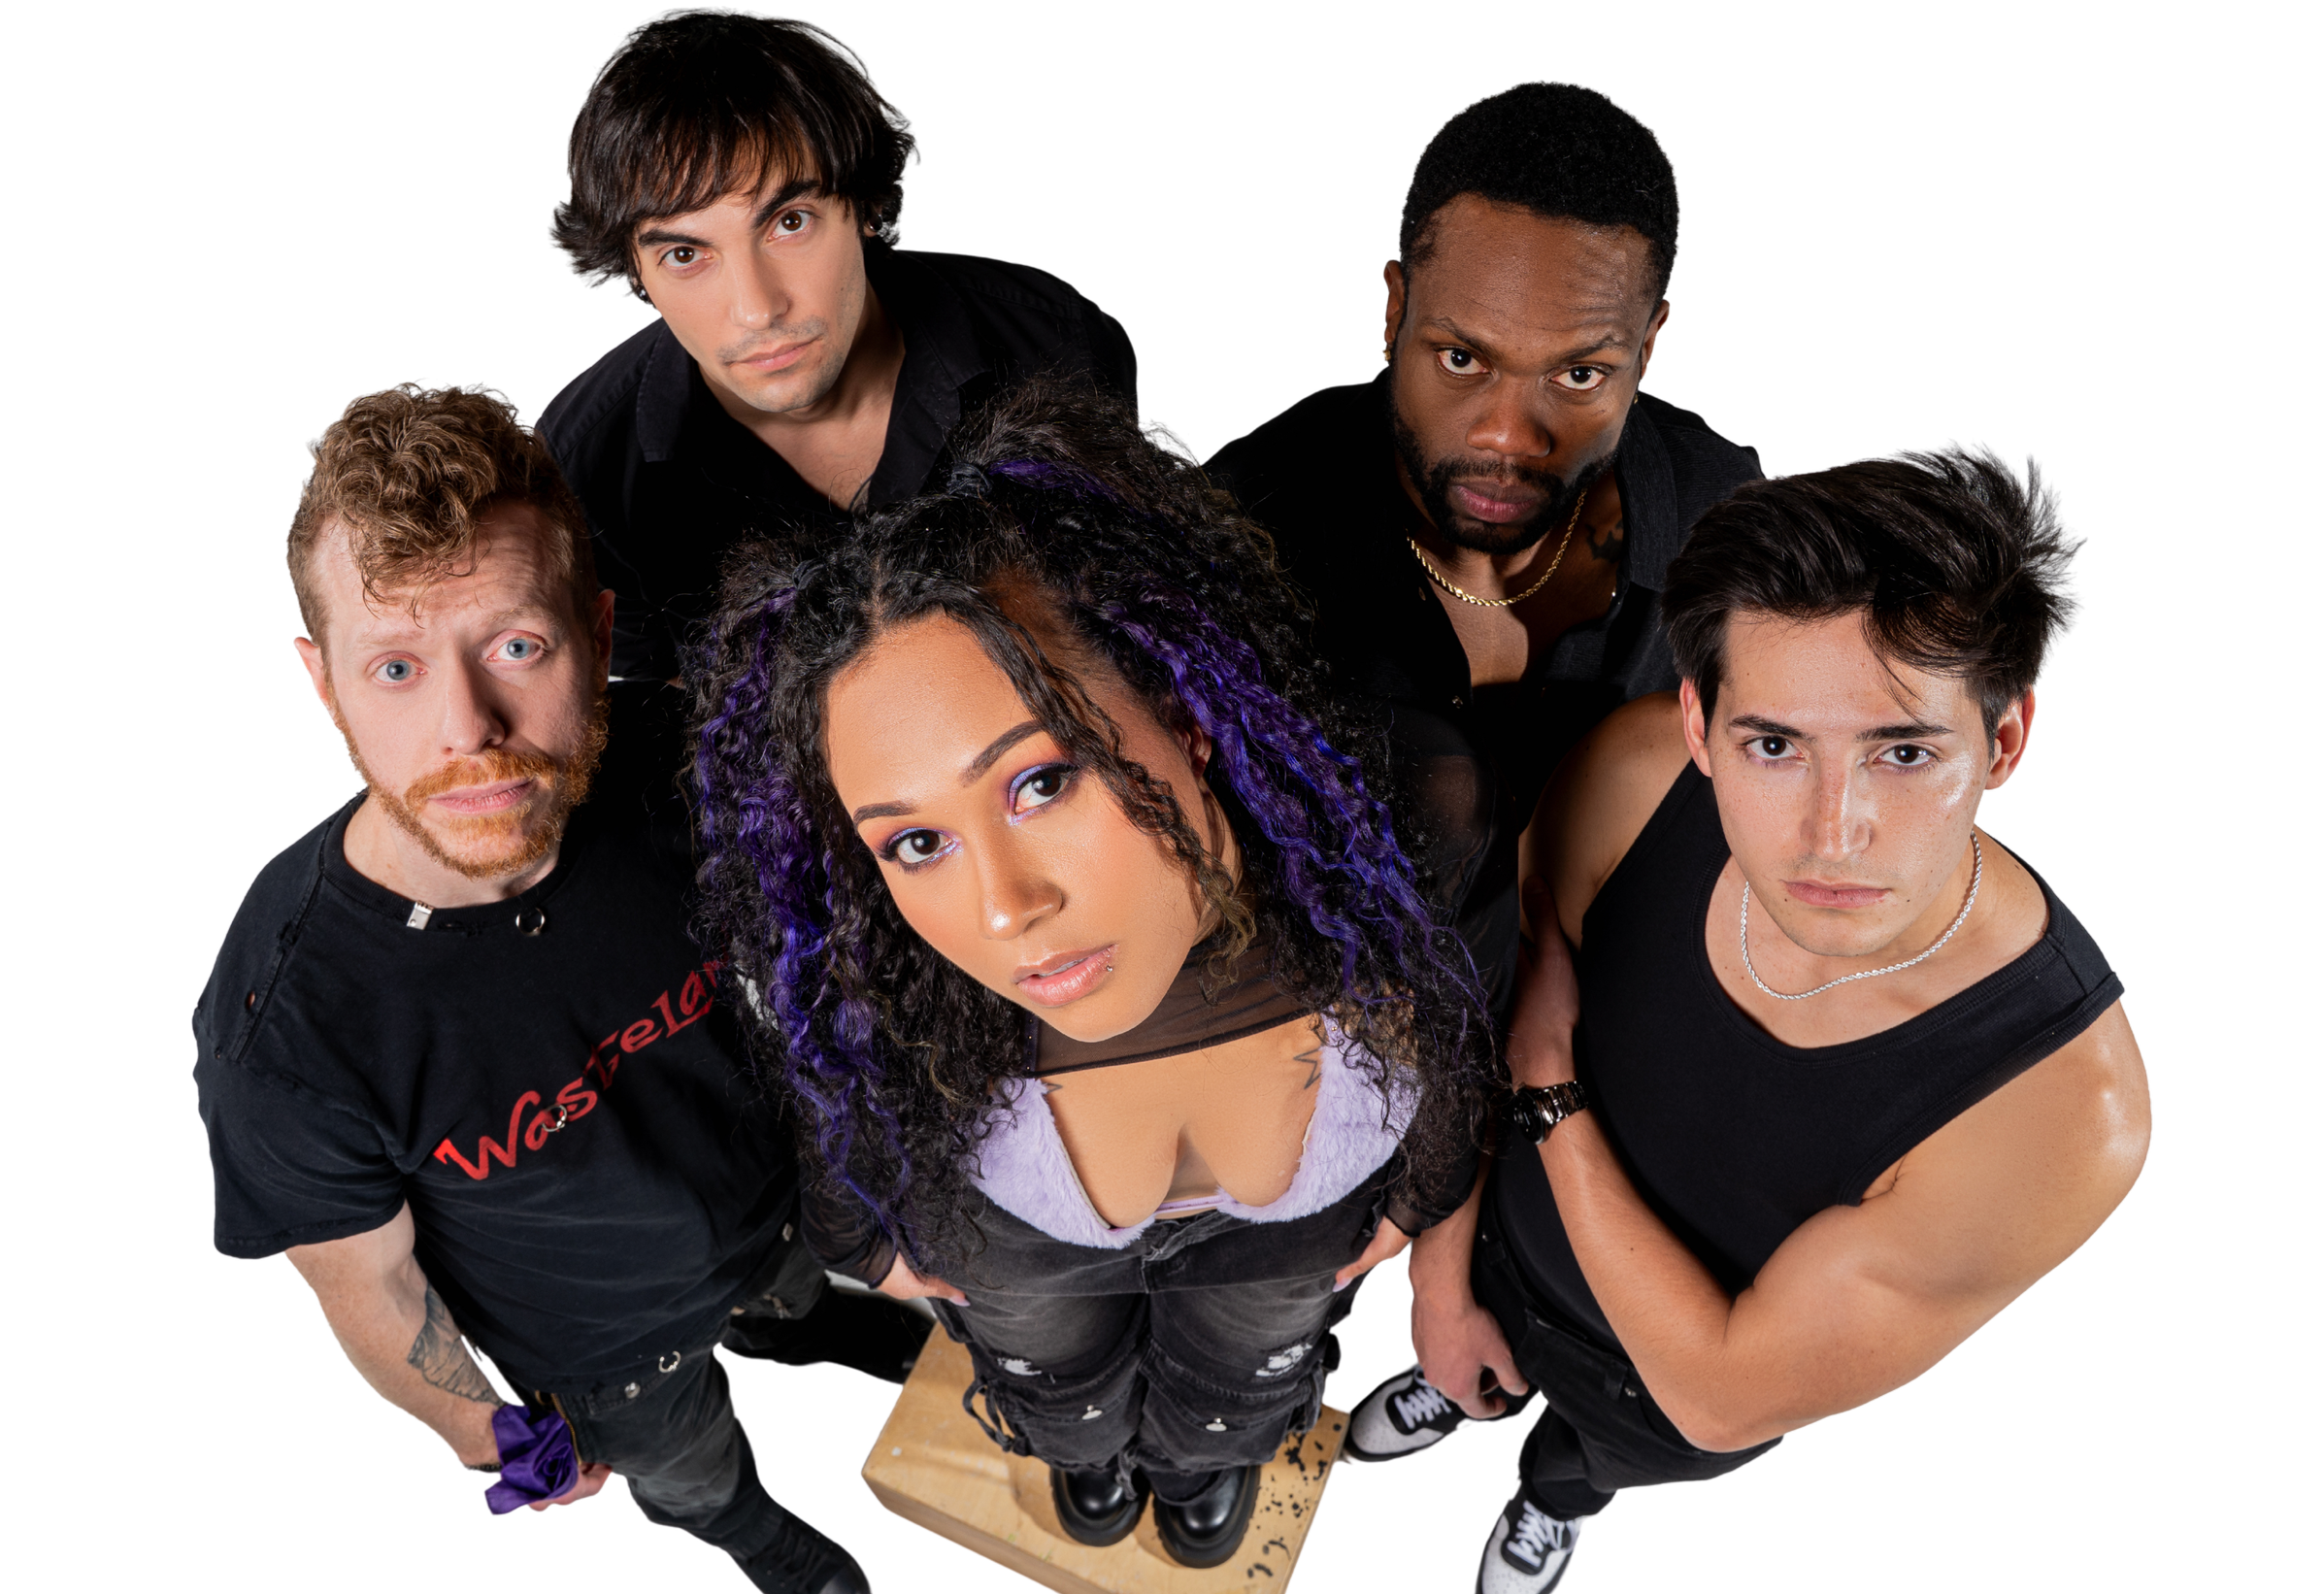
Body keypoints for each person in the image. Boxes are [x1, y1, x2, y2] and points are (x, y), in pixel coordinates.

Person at [685, 382, 1498, 1569]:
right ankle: (1083, 1454)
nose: (1007, 908)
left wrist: (1421, 1195)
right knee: (1054, 1383)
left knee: (1241, 1378)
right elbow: (831, 1073)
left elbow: (1462, 1013)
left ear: (1183, 710)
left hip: (1286, 1246)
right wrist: (860, 1240)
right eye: (915, 842)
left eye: (1042, 780)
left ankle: (1202, 1458)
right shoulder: (872, 946)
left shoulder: (1410, 812)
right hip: (1017, 1245)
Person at [1349, 448, 2154, 1593]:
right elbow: (1475, 1030)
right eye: (1773, 745)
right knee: (1471, 1344)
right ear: (1697, 724)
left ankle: (1545, 1502)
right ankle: (1452, 1373)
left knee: (1588, 1467)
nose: (1833, 833)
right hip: (1495, 1244)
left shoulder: (2065, 1110)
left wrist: (1549, 1089)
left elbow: (1719, 1393)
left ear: (2003, 743)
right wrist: (1438, 1284)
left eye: (1905, 751)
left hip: (1654, 1391)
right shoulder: (1630, 781)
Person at [193, 383, 919, 1593]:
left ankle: (874, 1355)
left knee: (847, 1325)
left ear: (598, 628)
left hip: (781, 1230)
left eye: (516, 646)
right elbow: (373, 1296)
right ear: (318, 681)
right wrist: (499, 1439)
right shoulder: (284, 1023)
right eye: (395, 665)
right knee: (701, 1487)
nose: (468, 727)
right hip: (609, 1362)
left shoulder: (688, 768)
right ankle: (792, 1563)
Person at [1207, 82, 1760, 1020]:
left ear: (1650, 349)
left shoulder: (1732, 525)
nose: (1509, 435)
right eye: (1462, 358)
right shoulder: (1236, 532)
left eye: (1579, 373)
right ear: (1393, 312)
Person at [541, 8, 1139, 683]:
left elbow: (1117, 612)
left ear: (863, 207)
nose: (758, 309)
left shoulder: (1049, 341)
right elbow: (658, 704)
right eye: (685, 252)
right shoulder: (588, 462)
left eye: (789, 222)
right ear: (635, 272)